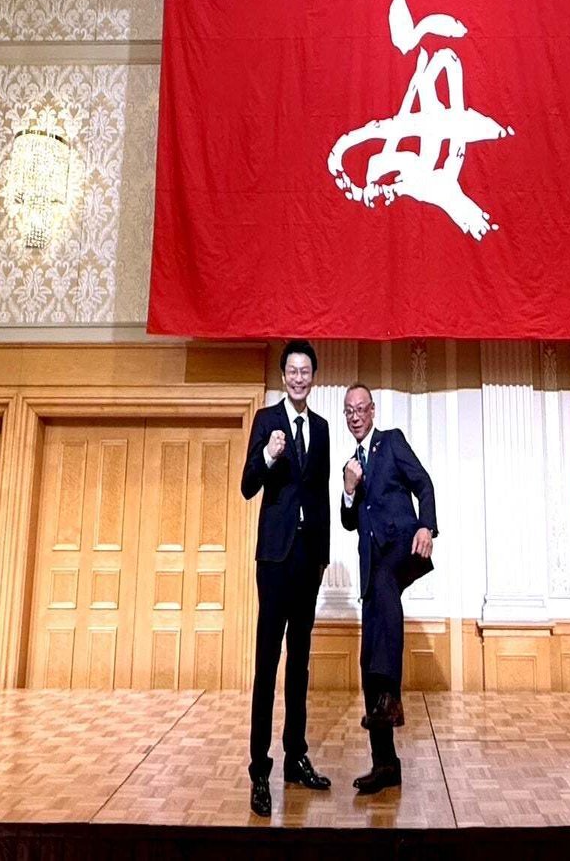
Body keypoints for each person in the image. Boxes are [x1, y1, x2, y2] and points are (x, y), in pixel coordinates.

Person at [241, 340, 332, 817]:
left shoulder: (322, 427)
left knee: (300, 662)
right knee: (267, 663)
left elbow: (321, 496)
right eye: (292, 371)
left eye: (305, 371)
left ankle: (296, 757)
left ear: (313, 377)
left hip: (307, 560)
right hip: (275, 560)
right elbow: (247, 486)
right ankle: (260, 769)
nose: (299, 378)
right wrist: (269, 455)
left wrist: (323, 557)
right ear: (283, 377)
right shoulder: (265, 420)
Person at [340, 382, 437, 795]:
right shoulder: (351, 465)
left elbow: (424, 483)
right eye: (349, 411)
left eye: (361, 408)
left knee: (384, 582)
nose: (356, 416)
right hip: (373, 566)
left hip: (403, 545)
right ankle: (385, 764)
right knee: (367, 661)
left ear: (373, 411)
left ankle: (392, 695)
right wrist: (348, 488)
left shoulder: (391, 442)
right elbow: (348, 521)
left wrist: (426, 526)